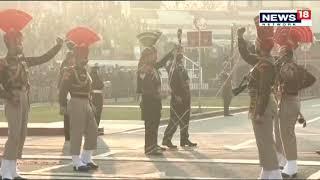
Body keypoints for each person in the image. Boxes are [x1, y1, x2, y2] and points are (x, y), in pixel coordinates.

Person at [0, 9, 63, 179]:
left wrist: (57, 47)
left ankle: (13, 169)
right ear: (9, 42)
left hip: (24, 98)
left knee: (21, 135)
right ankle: (4, 170)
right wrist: (7, 96)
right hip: (12, 99)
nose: (21, 43)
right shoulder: (3, 63)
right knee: (13, 134)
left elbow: (43, 58)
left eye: (20, 40)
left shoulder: (24, 60)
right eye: (17, 41)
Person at [237, 16, 282, 179]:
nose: (254, 44)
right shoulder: (263, 60)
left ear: (261, 46)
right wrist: (239, 39)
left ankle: (275, 173)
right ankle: (267, 171)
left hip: (262, 104)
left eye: (256, 42)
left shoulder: (265, 64)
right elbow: (246, 55)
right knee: (262, 141)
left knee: (265, 141)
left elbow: (263, 91)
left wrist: (258, 111)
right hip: (260, 102)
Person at [273, 36, 316, 178]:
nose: (278, 55)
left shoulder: (287, 66)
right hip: (292, 100)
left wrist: (290, 88)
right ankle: (290, 163)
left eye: (280, 53)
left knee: (286, 133)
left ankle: (291, 165)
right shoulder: (294, 66)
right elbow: (311, 79)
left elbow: (289, 78)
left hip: (289, 100)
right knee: (286, 133)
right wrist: (297, 87)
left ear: (285, 55)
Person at [59, 27, 100, 172]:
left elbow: (88, 90)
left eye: (86, 55)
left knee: (93, 130)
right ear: (76, 56)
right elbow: (63, 90)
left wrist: (91, 103)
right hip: (75, 102)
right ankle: (76, 161)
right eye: (83, 55)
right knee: (76, 132)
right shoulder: (69, 71)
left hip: (86, 103)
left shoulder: (85, 72)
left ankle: (86, 157)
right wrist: (62, 105)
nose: (85, 58)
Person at [136, 31, 174, 155]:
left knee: (155, 123)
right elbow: (147, 88)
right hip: (149, 101)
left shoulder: (151, 67)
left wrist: (170, 54)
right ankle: (149, 147)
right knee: (150, 125)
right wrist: (159, 95)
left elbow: (160, 64)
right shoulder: (145, 69)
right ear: (147, 56)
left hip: (154, 100)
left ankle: (153, 144)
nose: (156, 57)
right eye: (154, 54)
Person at [162, 46, 197, 149]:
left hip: (185, 96)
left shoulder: (181, 66)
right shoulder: (172, 67)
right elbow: (171, 83)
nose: (182, 54)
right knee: (175, 120)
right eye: (180, 53)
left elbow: (186, 78)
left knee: (185, 119)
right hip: (177, 98)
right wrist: (176, 95)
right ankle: (166, 139)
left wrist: (187, 83)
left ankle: (184, 139)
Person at [58, 40, 75, 142]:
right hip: (67, 92)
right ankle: (68, 136)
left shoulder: (73, 65)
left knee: (72, 116)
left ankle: (70, 135)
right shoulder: (65, 66)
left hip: (72, 92)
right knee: (67, 116)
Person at [90, 63, 104, 134]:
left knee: (94, 113)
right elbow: (101, 85)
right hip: (96, 96)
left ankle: (93, 128)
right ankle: (94, 129)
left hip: (94, 96)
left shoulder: (91, 76)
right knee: (97, 113)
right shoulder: (95, 76)